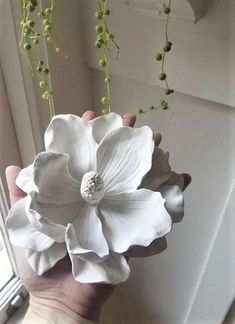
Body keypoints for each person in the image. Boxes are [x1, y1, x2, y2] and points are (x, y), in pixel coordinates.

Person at [5, 111, 191, 324]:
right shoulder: (41, 209)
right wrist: (49, 303)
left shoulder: (145, 212)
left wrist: (51, 308)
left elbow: (151, 217)